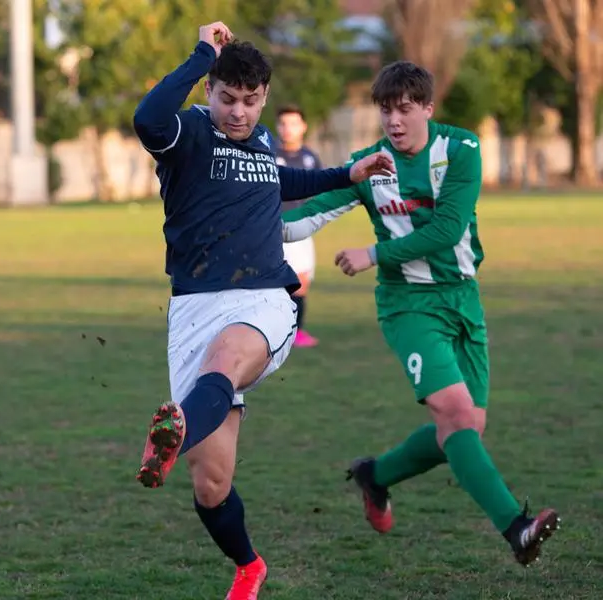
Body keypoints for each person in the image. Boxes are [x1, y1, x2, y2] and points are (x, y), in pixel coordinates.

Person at [131, 22, 394, 599]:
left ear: (265, 98)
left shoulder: (261, 140)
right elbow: (147, 118)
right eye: (228, 98)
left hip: (265, 299)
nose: (239, 113)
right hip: (194, 308)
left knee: (226, 361)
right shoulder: (190, 133)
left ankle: (171, 433)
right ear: (209, 91)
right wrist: (204, 54)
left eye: (251, 102)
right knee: (211, 483)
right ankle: (249, 565)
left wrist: (345, 176)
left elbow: (278, 182)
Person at [281, 60, 559, 567]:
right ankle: (517, 530)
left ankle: (376, 475)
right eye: (386, 111)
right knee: (454, 415)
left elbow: (449, 230)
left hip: (463, 300)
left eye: (405, 109)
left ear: (428, 108)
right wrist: (241, 221)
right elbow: (303, 219)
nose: (394, 121)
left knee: (466, 427)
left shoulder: (461, 150)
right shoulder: (368, 164)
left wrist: (373, 253)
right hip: (408, 306)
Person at [275, 104, 322, 347]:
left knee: (302, 283)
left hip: (303, 229)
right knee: (276, 284)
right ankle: (279, 331)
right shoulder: (269, 154)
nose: (288, 129)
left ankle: (296, 332)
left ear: (303, 127)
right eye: (283, 123)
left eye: (293, 123)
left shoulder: (310, 158)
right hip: (274, 230)